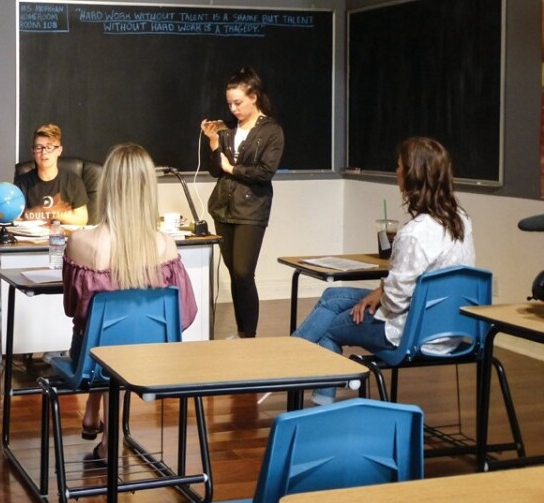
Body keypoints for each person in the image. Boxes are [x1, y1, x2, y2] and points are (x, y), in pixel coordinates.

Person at [293, 137, 475, 405]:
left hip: (411, 333)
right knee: (332, 297)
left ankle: (295, 375)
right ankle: (290, 362)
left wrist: (384, 294)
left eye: (399, 166)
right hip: (452, 329)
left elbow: (395, 302)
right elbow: (423, 281)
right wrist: (382, 289)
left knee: (328, 327)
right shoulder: (461, 220)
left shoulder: (413, 234)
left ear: (412, 175)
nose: (396, 172)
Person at [62, 143, 197, 462]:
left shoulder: (80, 242)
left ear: (107, 186)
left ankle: (106, 431)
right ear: (148, 189)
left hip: (91, 363)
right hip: (153, 359)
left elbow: (72, 308)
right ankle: (100, 420)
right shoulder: (165, 245)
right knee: (121, 344)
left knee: (102, 341)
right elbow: (185, 314)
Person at [201, 67, 284, 339]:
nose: (233, 109)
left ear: (254, 97)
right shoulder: (227, 130)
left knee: (244, 272)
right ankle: (241, 331)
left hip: (252, 209)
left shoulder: (271, 131)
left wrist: (233, 169)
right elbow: (216, 170)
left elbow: (264, 172)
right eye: (229, 104)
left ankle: (249, 336)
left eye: (238, 102)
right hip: (223, 208)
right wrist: (214, 143)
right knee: (234, 273)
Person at [14, 123, 89, 225]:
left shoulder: (73, 182)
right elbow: (15, 220)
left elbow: (82, 220)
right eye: (39, 147)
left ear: (59, 150)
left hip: (63, 235)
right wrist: (37, 212)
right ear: (33, 152)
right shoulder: (21, 185)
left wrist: (54, 213)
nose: (44, 152)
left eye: (49, 147)